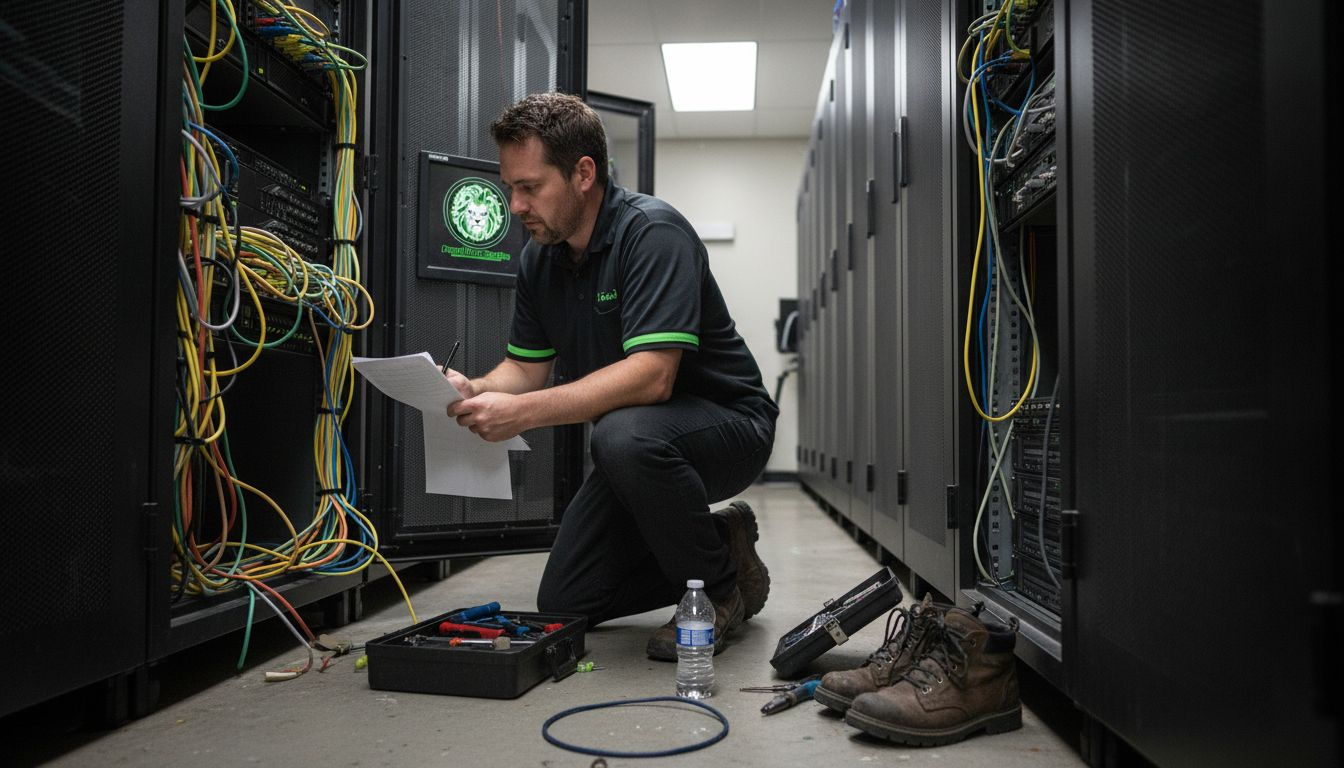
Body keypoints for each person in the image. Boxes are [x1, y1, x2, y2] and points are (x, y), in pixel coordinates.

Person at [444, 92, 778, 660]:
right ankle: (720, 546)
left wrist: (520, 413)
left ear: (582, 173)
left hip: (728, 428)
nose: (516, 205)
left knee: (619, 434)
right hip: (641, 449)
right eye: (509, 188)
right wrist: (475, 389)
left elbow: (653, 379)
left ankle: (718, 594)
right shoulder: (539, 259)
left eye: (529, 187)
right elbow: (526, 368)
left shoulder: (652, 233)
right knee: (565, 600)